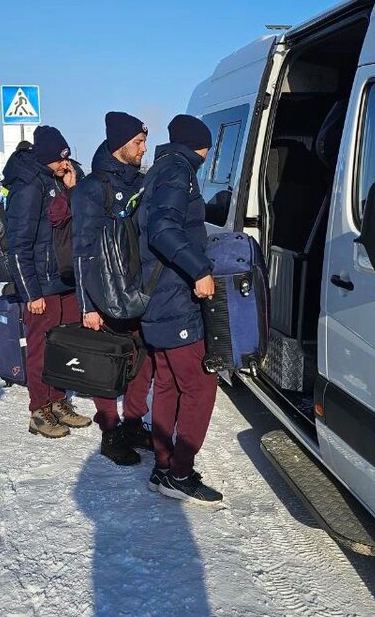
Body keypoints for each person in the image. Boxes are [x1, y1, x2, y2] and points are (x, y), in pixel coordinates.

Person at [139, 115, 223, 504]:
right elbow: (163, 229)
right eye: (206, 148)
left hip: (157, 297)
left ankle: (163, 466)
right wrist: (200, 269)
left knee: (169, 382)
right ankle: (180, 472)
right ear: (197, 146)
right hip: (174, 298)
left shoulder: (160, 168)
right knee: (200, 384)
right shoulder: (178, 171)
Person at [71, 111, 155, 466]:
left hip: (141, 287)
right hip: (104, 291)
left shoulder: (142, 181)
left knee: (144, 360)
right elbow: (81, 249)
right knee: (106, 365)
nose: (144, 148)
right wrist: (86, 305)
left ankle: (134, 423)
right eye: (138, 142)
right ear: (121, 144)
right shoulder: (92, 188)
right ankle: (110, 431)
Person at [4, 126, 93, 438]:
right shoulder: (28, 186)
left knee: (62, 345)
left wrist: (71, 189)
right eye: (59, 160)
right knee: (40, 349)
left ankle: (57, 402)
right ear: (44, 158)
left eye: (67, 159)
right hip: (40, 284)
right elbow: (18, 244)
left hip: (64, 278)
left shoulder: (58, 180)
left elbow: (69, 224)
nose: (64, 164)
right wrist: (30, 292)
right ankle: (38, 411)